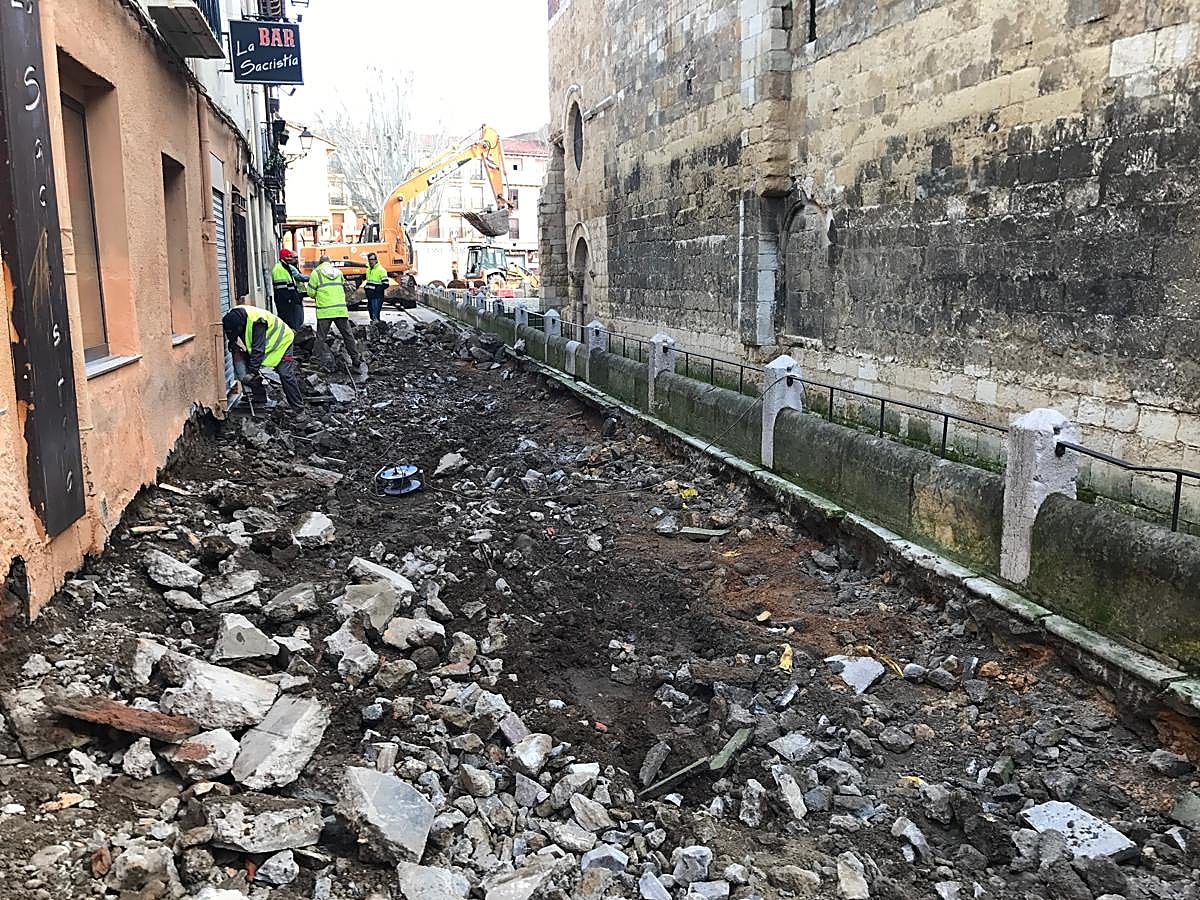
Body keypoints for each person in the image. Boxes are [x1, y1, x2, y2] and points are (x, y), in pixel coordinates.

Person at [222, 302, 303, 411]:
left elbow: (258, 350)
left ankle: (298, 408)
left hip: (283, 342)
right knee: (249, 366)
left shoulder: (258, 322)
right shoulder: (235, 316)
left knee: (285, 374)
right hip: (266, 345)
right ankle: (259, 397)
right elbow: (234, 332)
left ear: (240, 326)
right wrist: (232, 341)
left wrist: (252, 372)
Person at [307, 254, 367, 380]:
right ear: (330, 262)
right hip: (340, 309)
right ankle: (355, 360)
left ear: (320, 262)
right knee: (348, 335)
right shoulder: (338, 273)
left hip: (325, 311)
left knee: (321, 337)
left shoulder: (316, 273)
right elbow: (344, 287)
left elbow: (311, 293)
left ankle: (315, 361)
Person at [271, 248, 307, 331]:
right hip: (285, 303)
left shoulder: (285, 267)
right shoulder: (279, 269)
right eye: (289, 257)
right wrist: (290, 300)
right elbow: (281, 289)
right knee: (287, 324)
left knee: (292, 323)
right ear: (284, 257)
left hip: (290, 301)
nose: (291, 258)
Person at [363, 253, 390, 323]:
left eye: (372, 259)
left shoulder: (381, 270)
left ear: (376, 260)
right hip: (370, 296)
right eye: (369, 259)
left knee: (375, 315)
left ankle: (377, 329)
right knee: (372, 315)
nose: (370, 261)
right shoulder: (368, 269)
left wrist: (375, 290)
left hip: (377, 296)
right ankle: (375, 328)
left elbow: (386, 284)